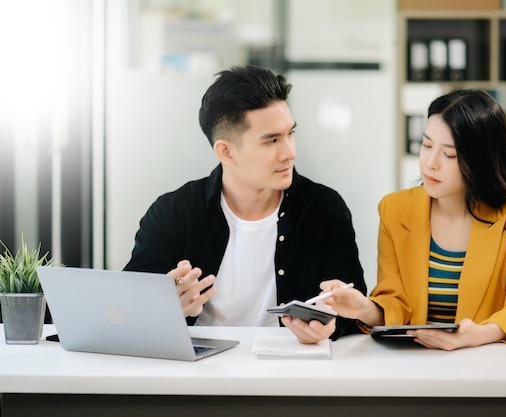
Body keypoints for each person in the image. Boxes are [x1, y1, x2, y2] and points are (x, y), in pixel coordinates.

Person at [319, 89, 506, 417]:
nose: (431, 162)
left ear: (481, 158)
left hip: (492, 375)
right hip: (418, 376)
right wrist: (366, 309)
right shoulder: (396, 210)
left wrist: (473, 336)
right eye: (427, 145)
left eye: (450, 155)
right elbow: (395, 301)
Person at [124, 65, 367, 344]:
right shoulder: (172, 213)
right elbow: (127, 314)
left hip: (294, 374)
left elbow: (354, 310)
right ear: (226, 151)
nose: (289, 152)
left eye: (290, 134)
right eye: (272, 141)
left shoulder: (324, 209)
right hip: (197, 376)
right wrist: (165, 310)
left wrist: (330, 325)